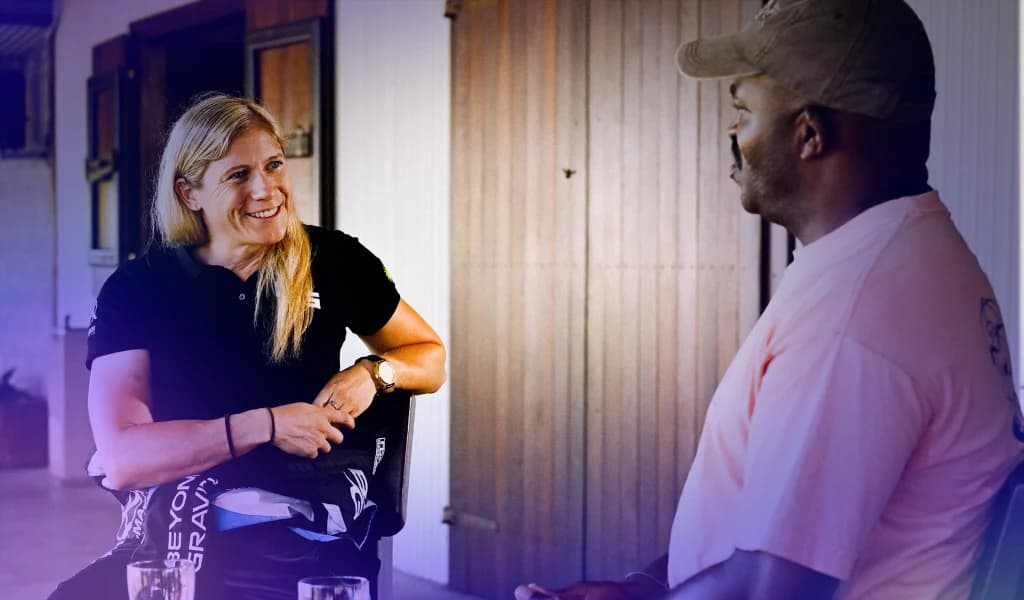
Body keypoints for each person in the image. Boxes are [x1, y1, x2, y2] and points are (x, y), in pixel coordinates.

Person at [517, 0, 1024, 598]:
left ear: (809, 135)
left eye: (743, 112)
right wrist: (641, 589)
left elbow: (771, 589)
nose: (732, 133)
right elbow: (764, 540)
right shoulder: (910, 256)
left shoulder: (856, 316)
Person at [49, 94, 446, 600]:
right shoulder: (138, 288)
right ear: (189, 193)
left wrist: (374, 372)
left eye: (273, 164)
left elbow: (428, 355)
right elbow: (124, 457)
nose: (266, 189)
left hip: (304, 532)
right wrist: (270, 424)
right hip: (179, 522)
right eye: (238, 175)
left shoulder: (334, 259)